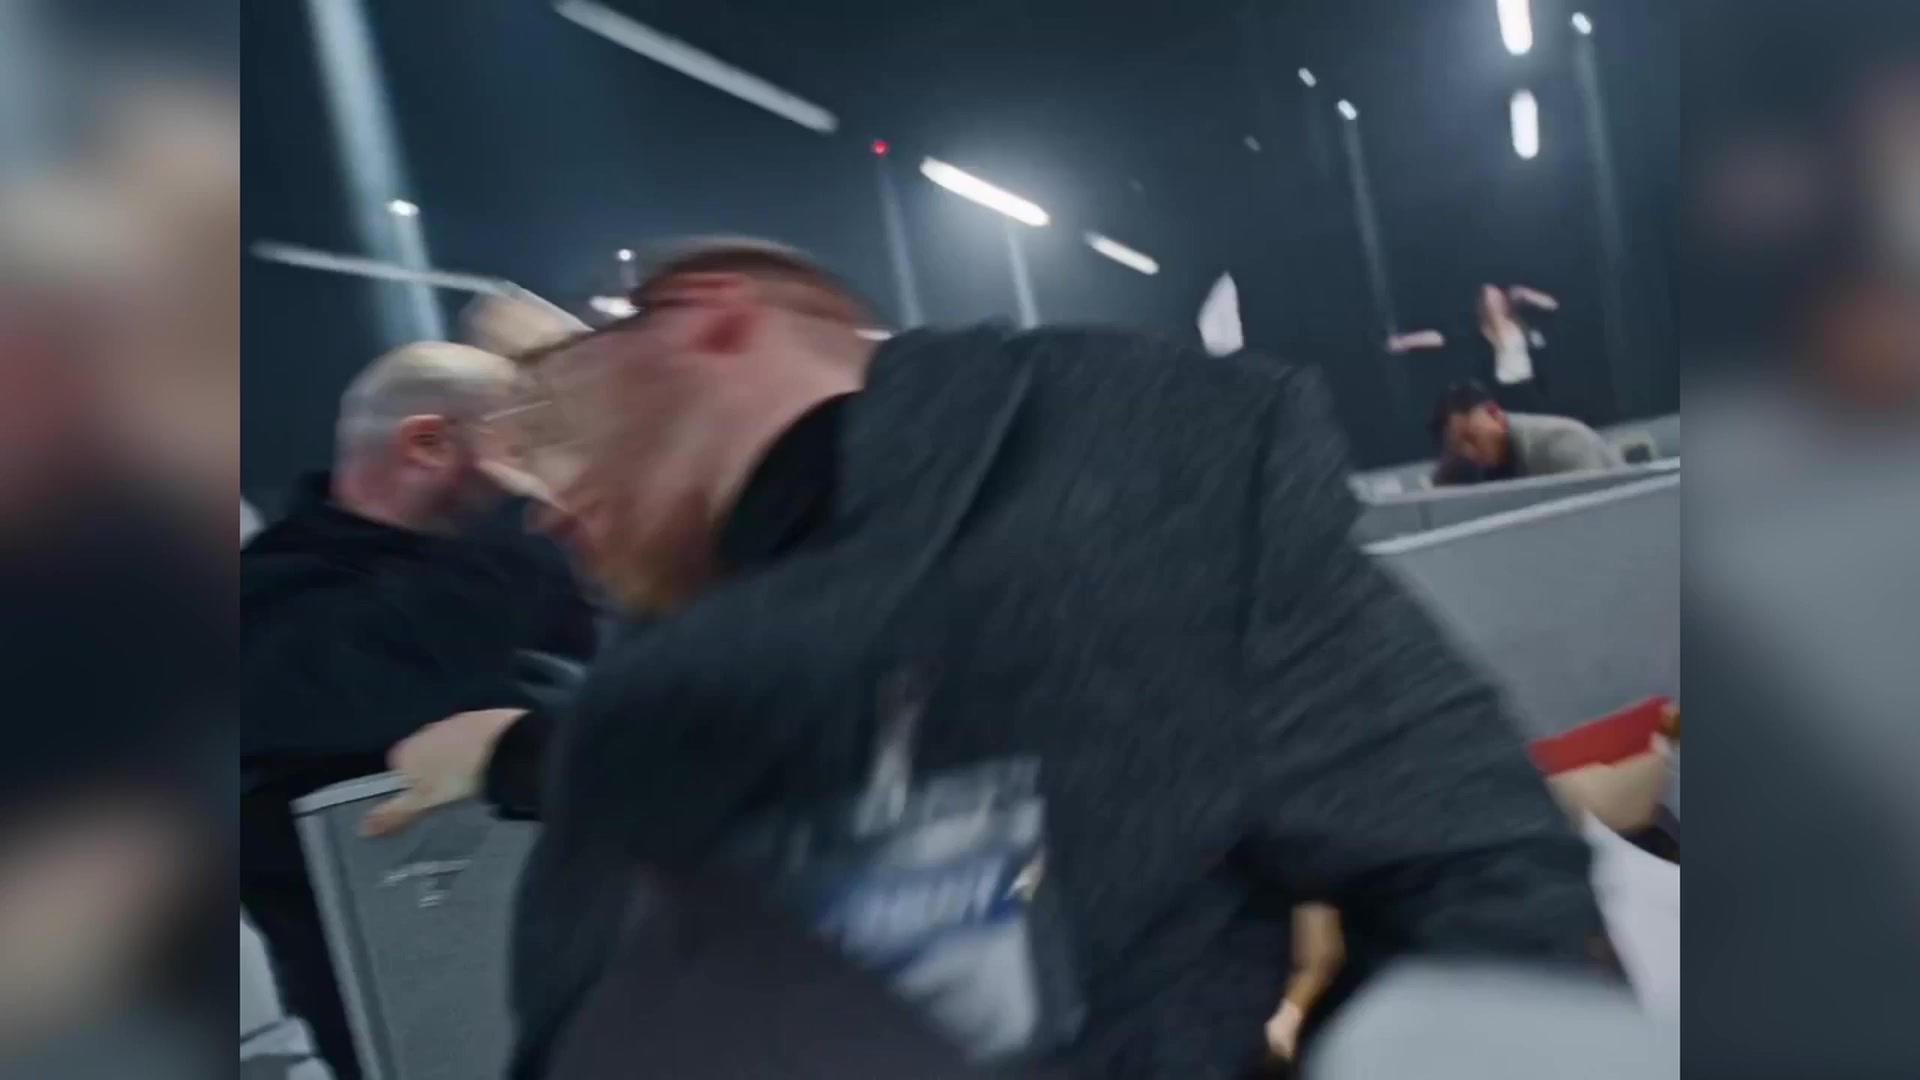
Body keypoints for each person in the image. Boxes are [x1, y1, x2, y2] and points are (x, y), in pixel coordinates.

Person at [381, 240, 1610, 1079]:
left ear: (714, 315)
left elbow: (1495, 894)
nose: (539, 491)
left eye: (554, 400)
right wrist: (530, 753)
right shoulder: (660, 650)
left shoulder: (1153, 480)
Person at [240, 342, 596, 1078]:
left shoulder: (521, 574)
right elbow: (384, 677)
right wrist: (530, 521)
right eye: (524, 447)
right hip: (423, 1023)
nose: (548, 476)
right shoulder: (267, 597)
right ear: (427, 443)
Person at [1429, 381, 1624, 485]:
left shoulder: (1563, 443)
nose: (1469, 453)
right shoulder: (1468, 466)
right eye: (1457, 448)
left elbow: (1596, 517)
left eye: (1472, 438)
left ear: (1495, 414)